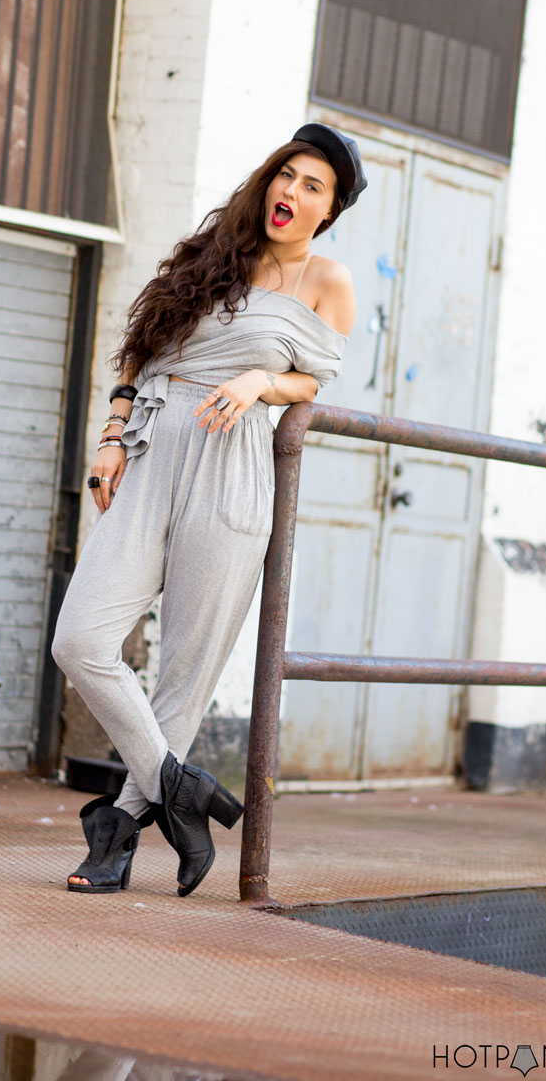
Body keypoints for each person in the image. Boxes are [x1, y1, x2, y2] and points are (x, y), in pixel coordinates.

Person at [52, 123, 367, 896]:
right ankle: (183, 793)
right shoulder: (212, 254)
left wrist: (263, 381)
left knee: (184, 676)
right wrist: (113, 433)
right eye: (286, 175)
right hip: (156, 449)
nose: (291, 193)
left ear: (328, 211)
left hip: (232, 470)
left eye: (312, 186)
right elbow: (141, 347)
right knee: (82, 638)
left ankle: (114, 839)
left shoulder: (328, 281)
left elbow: (315, 383)